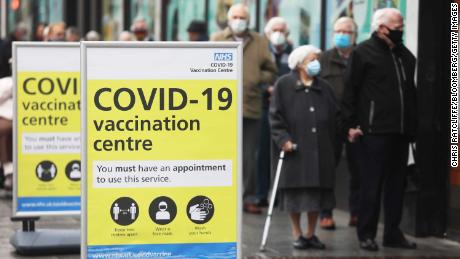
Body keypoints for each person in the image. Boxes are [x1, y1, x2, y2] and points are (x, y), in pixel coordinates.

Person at [342, 8, 417, 251]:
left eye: (402, 26)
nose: (401, 30)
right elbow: (350, 91)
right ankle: (366, 233)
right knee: (371, 184)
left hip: (401, 131)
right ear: (381, 28)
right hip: (373, 131)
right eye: (397, 27)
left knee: (397, 185)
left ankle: (393, 233)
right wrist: (351, 125)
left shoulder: (406, 56)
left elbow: (411, 94)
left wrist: (413, 129)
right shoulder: (363, 53)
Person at [211, 3, 277, 214]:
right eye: (235, 16)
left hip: (251, 106)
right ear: (229, 20)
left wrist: (258, 78)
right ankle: (221, 197)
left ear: (248, 20)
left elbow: (271, 70)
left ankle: (247, 197)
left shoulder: (259, 41)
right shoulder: (217, 40)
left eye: (243, 17)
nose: (239, 20)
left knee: (248, 157)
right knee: (221, 154)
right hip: (221, 110)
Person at [270, 45, 337, 250]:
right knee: (296, 194)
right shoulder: (283, 84)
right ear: (299, 64)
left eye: (317, 58)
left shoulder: (324, 87)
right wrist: (283, 139)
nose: (316, 62)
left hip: (320, 148)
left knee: (316, 195)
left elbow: (335, 114)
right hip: (295, 148)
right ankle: (297, 232)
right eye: (311, 59)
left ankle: (311, 233)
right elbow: (275, 117)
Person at [318, 16, 360, 230]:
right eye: (338, 32)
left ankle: (356, 212)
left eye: (347, 32)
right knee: (328, 169)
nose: (342, 36)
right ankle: (325, 213)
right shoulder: (323, 59)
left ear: (355, 36)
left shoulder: (362, 57)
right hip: (330, 124)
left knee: (358, 169)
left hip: (354, 123)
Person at [255, 17, 293, 208]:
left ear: (287, 34)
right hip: (263, 107)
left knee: (281, 153)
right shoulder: (261, 53)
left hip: (285, 111)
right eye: (274, 30)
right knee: (261, 153)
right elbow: (254, 75)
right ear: (268, 34)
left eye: (281, 30)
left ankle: (279, 195)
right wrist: (267, 89)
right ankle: (261, 194)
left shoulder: (293, 54)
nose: (278, 34)